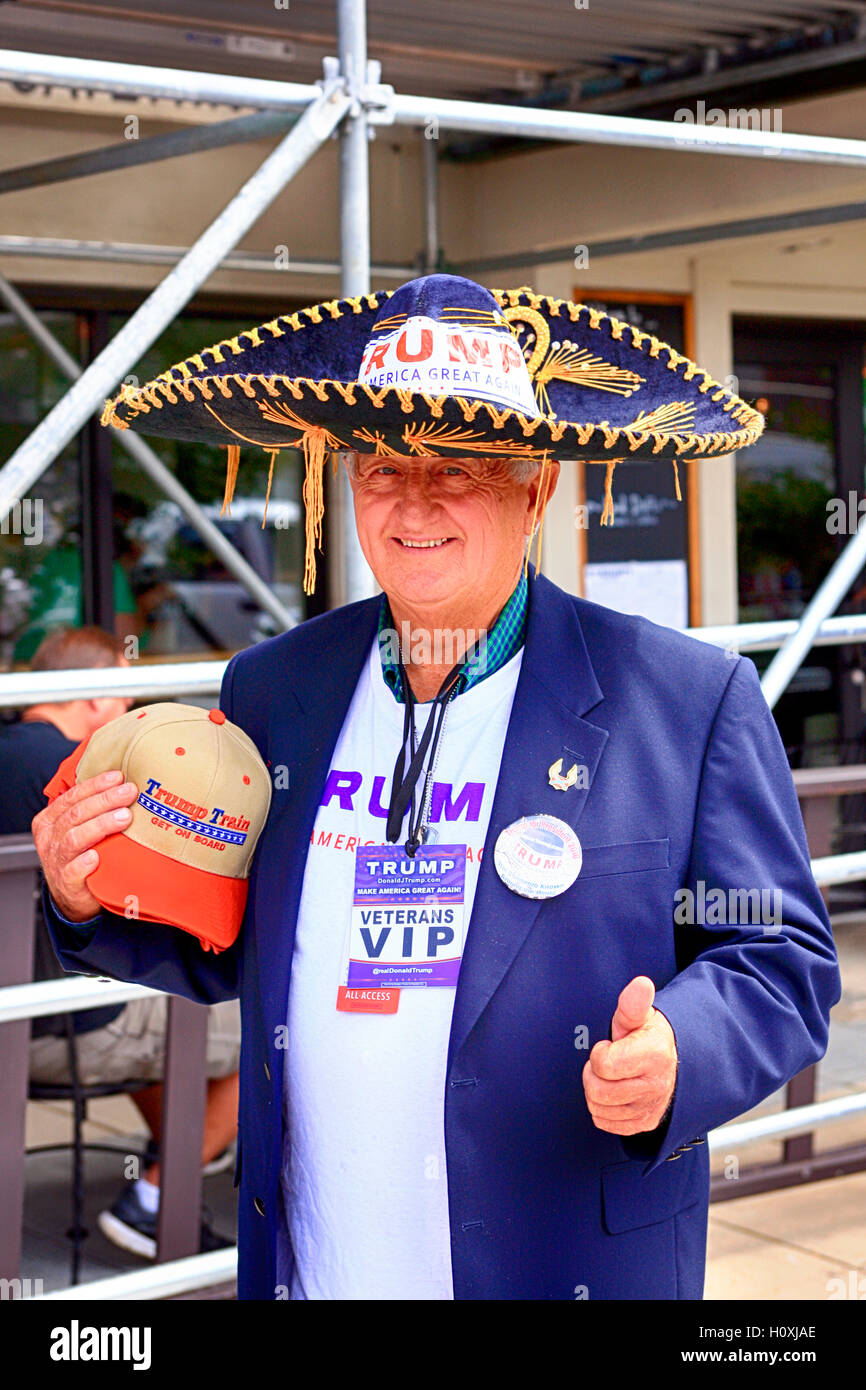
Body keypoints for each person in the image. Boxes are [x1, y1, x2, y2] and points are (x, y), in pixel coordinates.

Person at [34, 274, 840, 1299]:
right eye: (379, 467)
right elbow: (223, 930)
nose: (410, 501)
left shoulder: (684, 700)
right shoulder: (278, 687)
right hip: (318, 1266)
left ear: (534, 488)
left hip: (561, 1265)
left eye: (455, 466)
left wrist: (683, 1048)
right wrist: (81, 892)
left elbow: (780, 960)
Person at [0, 625, 240, 1258]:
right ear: (96, 697)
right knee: (267, 1026)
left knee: (147, 1007)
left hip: (22, 1022)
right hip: (63, 1032)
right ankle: (154, 1198)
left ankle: (182, 1154)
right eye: (126, 702)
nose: (128, 718)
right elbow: (142, 912)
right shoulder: (80, 776)